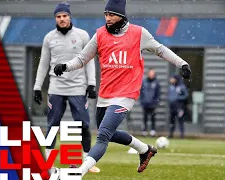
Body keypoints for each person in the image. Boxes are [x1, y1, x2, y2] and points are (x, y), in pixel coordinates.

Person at [53, 0, 191, 176]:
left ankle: (78, 173)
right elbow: (82, 59)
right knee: (109, 133)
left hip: (126, 94)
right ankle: (144, 149)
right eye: (106, 14)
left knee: (102, 136)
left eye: (111, 14)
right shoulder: (100, 34)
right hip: (105, 94)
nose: (107, 18)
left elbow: (161, 49)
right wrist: (65, 66)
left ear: (121, 15)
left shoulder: (139, 33)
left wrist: (182, 63)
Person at [33, 2, 100, 174]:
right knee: (53, 125)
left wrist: (92, 83)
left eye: (64, 16)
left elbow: (89, 60)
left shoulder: (82, 35)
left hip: (78, 88)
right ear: (55, 18)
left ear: (69, 16)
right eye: (58, 16)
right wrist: (37, 87)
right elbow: (43, 63)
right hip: (56, 88)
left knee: (84, 125)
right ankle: (48, 162)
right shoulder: (49, 38)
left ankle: (87, 161)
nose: (62, 19)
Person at [140, 68, 161, 137]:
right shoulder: (144, 82)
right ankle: (144, 131)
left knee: (153, 118)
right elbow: (141, 93)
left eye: (153, 74)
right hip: (145, 103)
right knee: (145, 118)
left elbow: (158, 94)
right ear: (148, 74)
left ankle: (153, 131)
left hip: (153, 104)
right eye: (151, 73)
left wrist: (156, 102)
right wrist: (142, 102)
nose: (152, 75)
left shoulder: (156, 83)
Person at [168, 74, 188, 139]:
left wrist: (178, 98)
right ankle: (171, 134)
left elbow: (186, 95)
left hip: (179, 107)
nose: (171, 80)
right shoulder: (171, 87)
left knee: (180, 121)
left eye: (172, 78)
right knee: (172, 121)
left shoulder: (182, 86)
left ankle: (182, 135)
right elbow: (170, 96)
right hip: (172, 107)